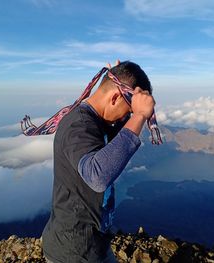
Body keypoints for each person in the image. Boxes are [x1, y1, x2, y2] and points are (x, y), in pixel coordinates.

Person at [41, 60, 155, 263]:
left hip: (92, 244)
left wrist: (120, 77)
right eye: (127, 111)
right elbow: (97, 176)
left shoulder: (97, 122)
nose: (125, 117)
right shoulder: (78, 125)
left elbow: (114, 141)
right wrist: (138, 116)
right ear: (114, 98)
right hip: (73, 252)